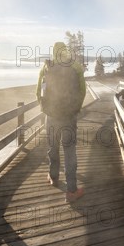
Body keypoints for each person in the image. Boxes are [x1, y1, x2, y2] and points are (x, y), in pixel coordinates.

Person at [36, 42, 86, 202]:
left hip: (51, 116)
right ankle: (71, 191)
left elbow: (39, 92)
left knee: (53, 147)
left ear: (53, 52)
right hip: (69, 117)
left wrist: (46, 108)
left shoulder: (46, 67)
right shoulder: (75, 66)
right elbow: (82, 90)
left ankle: (53, 177)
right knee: (69, 150)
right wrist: (75, 108)